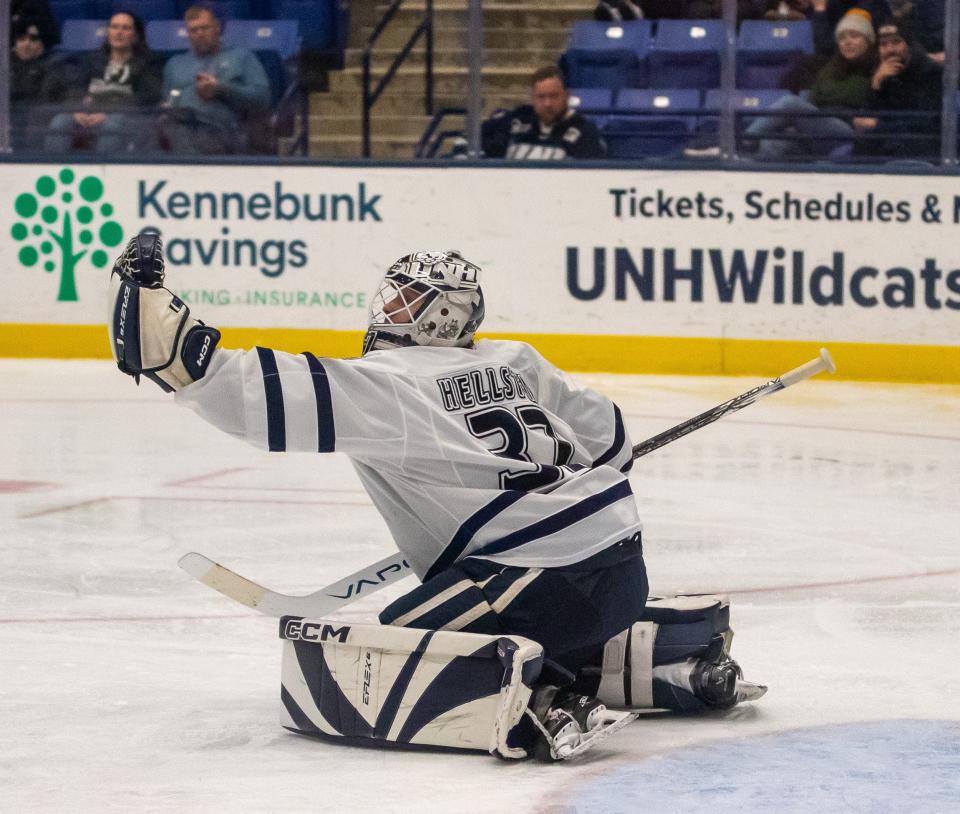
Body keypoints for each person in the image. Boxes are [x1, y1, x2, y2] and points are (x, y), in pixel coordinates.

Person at [107, 235, 766, 760]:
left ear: (437, 317)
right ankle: (674, 661)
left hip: (537, 579)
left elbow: (242, 391)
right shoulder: (514, 359)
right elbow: (613, 440)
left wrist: (157, 325)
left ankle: (539, 698)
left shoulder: (391, 384)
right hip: (622, 567)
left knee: (381, 653)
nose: (387, 312)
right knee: (518, 617)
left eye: (403, 303)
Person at [744, 8, 877, 160]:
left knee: (790, 103)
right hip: (819, 125)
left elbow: (856, 97)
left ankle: (741, 142)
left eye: (854, 36)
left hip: (848, 129)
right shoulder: (831, 68)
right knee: (773, 142)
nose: (847, 42)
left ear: (868, 39)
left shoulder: (874, 68)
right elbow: (814, 100)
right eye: (842, 38)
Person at [44, 11, 161, 155]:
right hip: (91, 113)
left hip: (126, 116)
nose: (119, 32)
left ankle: (104, 173)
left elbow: (148, 97)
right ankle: (54, 170)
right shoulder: (92, 59)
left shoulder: (148, 62)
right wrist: (76, 110)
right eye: (114, 27)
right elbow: (76, 88)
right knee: (60, 121)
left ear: (136, 35)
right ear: (108, 32)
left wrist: (107, 112)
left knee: (112, 124)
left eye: (126, 28)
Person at [160, 4, 270, 155]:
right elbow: (167, 104)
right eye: (193, 30)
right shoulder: (174, 64)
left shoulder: (241, 56)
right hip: (180, 132)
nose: (199, 33)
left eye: (205, 28)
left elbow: (263, 98)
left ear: (217, 27)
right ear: (188, 33)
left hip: (223, 133)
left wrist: (221, 88)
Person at [853, 19, 943, 159]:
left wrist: (878, 125)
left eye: (896, 42)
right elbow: (865, 117)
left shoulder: (929, 71)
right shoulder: (881, 71)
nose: (890, 49)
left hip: (922, 145)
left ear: (908, 44)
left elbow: (925, 121)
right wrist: (876, 84)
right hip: (886, 140)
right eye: (883, 44)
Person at [481, 66, 607, 160]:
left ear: (567, 95)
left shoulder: (584, 130)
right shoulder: (517, 118)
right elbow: (476, 144)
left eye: (554, 96)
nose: (547, 103)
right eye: (541, 97)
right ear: (533, 98)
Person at [10, 19, 65, 150]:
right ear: (15, 44)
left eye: (33, 39)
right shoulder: (5, 65)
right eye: (22, 39)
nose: (27, 44)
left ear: (42, 45)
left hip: (34, 116)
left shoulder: (53, 66)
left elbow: (45, 97)